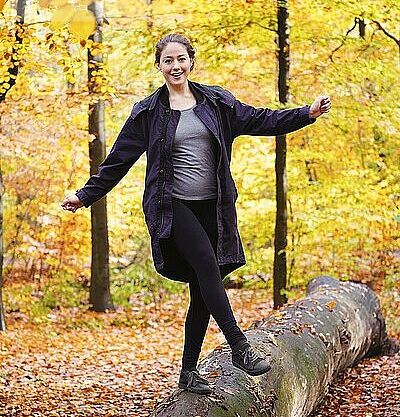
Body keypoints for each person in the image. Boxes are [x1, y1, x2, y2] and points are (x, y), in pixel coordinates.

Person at [62, 33, 331, 396]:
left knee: (202, 291)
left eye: (181, 59)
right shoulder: (148, 113)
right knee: (206, 265)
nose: (175, 66)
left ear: (191, 61)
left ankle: (188, 371)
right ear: (158, 65)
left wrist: (306, 114)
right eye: (168, 60)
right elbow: (118, 162)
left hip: (214, 208)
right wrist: (84, 195)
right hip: (172, 207)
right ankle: (240, 347)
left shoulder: (217, 102)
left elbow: (261, 120)